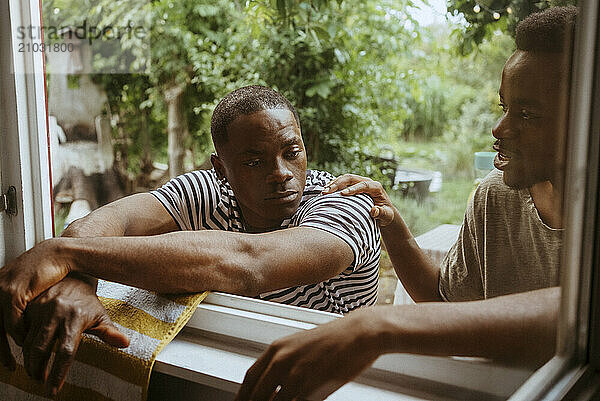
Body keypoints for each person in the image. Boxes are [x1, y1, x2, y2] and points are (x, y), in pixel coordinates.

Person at [235, 6, 576, 401]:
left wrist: (378, 325)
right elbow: (442, 301)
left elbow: (579, 311)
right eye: (504, 108)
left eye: (528, 115)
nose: (499, 129)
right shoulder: (495, 196)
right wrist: (394, 227)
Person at [0, 85, 381, 394]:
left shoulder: (346, 205)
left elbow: (248, 262)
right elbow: (113, 220)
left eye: (291, 151)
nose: (280, 173)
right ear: (221, 168)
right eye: (253, 161)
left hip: (350, 383)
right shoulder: (208, 190)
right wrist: (80, 285)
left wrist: (62, 253)